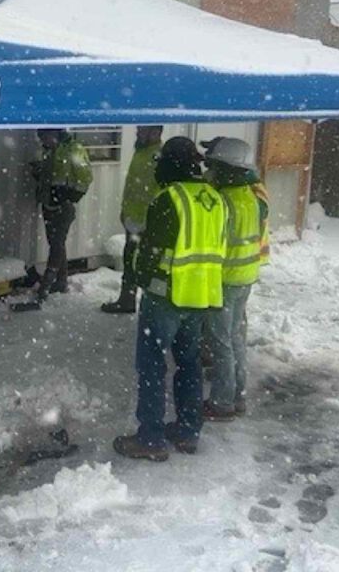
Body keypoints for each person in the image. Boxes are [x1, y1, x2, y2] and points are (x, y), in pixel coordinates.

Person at [113, 137, 228, 461]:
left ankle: (150, 438)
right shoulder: (215, 198)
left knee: (151, 366)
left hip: (165, 297)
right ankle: (188, 430)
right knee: (188, 363)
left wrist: (135, 276)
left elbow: (151, 252)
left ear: (169, 164)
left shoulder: (169, 199)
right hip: (201, 297)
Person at [202, 137, 268, 418]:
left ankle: (222, 402)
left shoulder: (223, 201)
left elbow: (213, 243)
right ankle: (238, 395)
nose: (210, 171)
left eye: (214, 165)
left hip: (226, 279)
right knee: (236, 337)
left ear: (228, 168)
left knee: (221, 343)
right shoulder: (253, 197)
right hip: (246, 277)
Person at [12, 129, 92, 312]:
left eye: (44, 137)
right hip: (49, 204)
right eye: (40, 139)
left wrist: (68, 196)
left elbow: (85, 177)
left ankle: (45, 287)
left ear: (54, 134)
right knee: (55, 242)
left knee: (57, 244)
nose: (42, 142)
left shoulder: (73, 149)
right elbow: (51, 175)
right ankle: (61, 281)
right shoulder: (49, 150)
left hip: (64, 207)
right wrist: (39, 173)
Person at [101, 126, 163, 314]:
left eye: (142, 131)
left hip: (148, 222)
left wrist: (152, 219)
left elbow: (160, 191)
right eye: (138, 130)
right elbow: (133, 186)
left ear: (156, 133)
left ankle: (149, 304)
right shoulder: (141, 152)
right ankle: (127, 299)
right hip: (133, 220)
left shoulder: (159, 157)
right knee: (130, 260)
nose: (138, 134)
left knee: (146, 264)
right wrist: (124, 211)